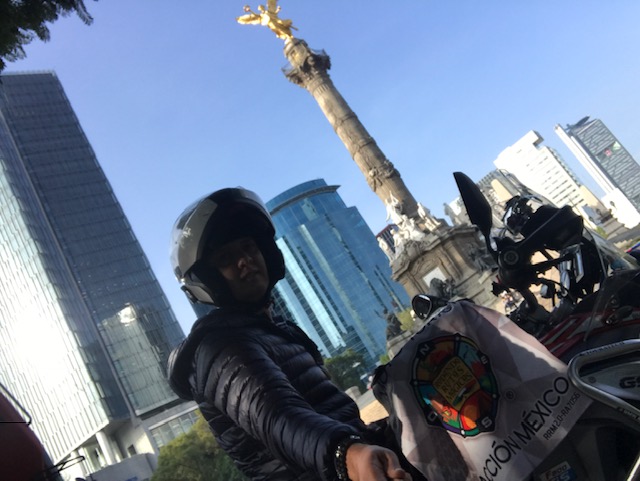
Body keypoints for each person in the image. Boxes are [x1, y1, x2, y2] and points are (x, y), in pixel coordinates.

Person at [167, 187, 414, 481]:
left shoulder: (280, 331)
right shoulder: (219, 348)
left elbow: (337, 416)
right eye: (226, 258)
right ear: (206, 280)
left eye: (248, 247)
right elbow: (280, 418)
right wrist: (346, 453)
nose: (245, 260)